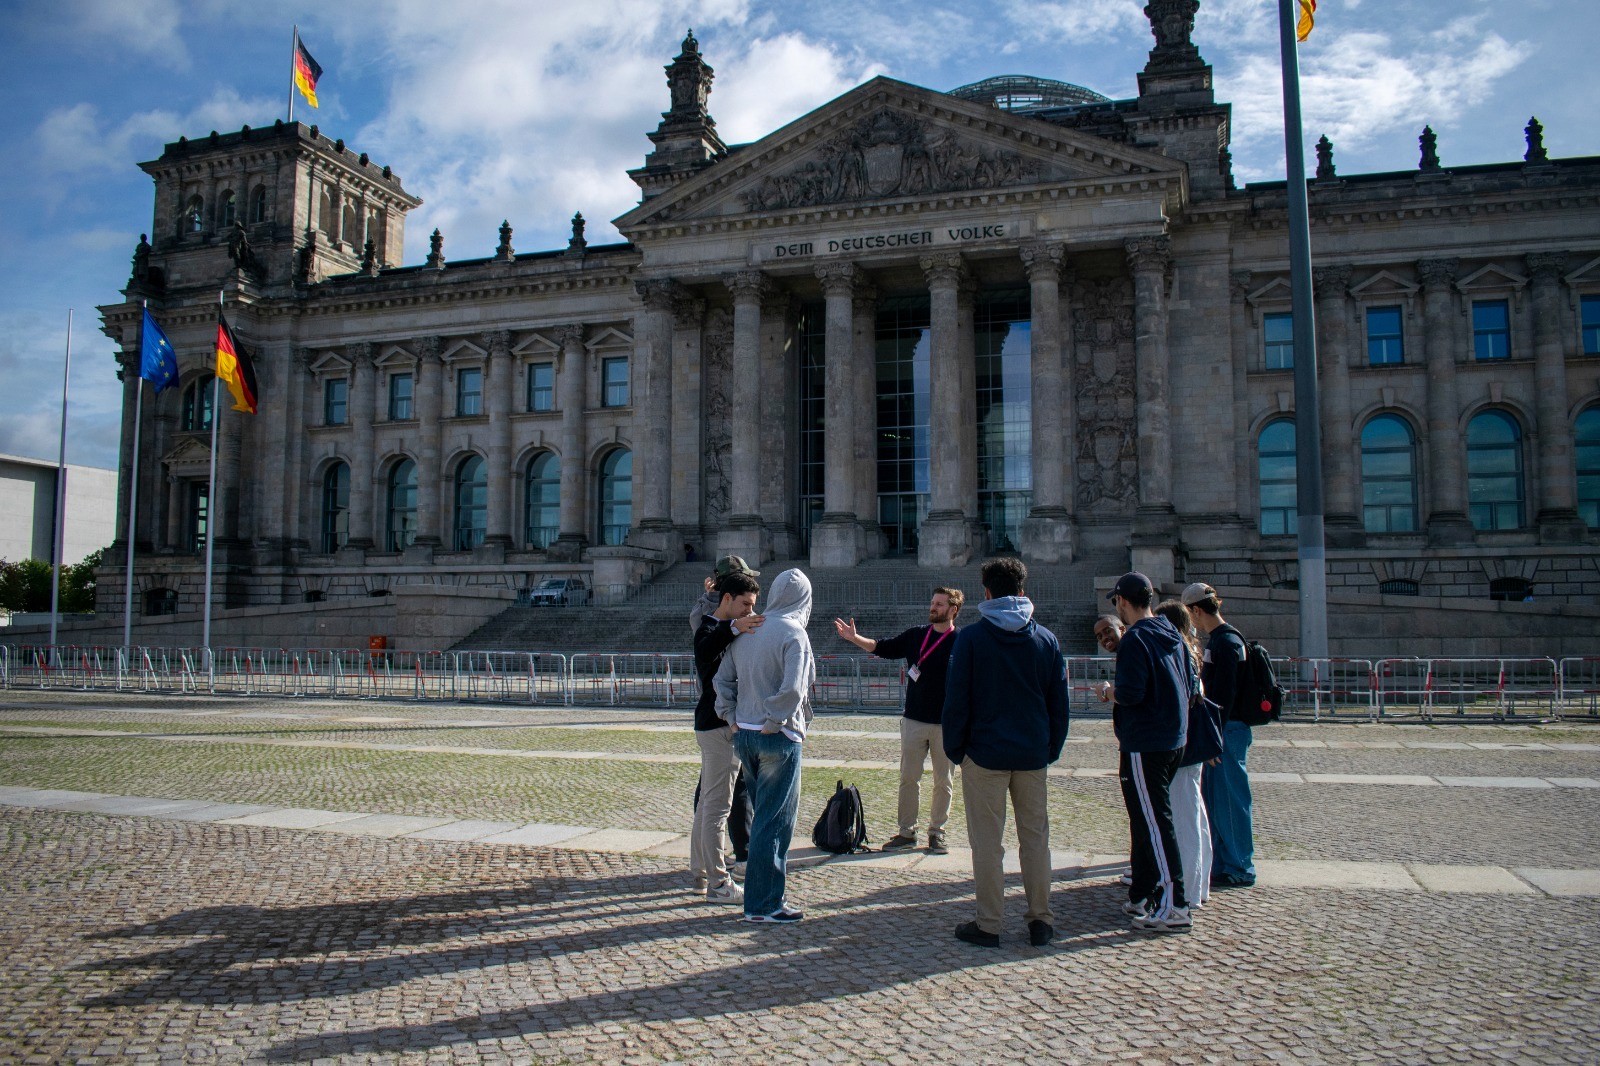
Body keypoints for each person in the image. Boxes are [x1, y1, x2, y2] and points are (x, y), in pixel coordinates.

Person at [944, 558, 1069, 948]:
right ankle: (1040, 920)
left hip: (984, 754)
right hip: (1032, 753)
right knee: (1035, 840)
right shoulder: (1046, 639)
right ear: (1022, 590)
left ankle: (989, 923)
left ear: (986, 591)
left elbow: (957, 700)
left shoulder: (971, 639)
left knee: (987, 843)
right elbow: (1059, 704)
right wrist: (1050, 748)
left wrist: (957, 750)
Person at [714, 568, 816, 924]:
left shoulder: (749, 627)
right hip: (777, 736)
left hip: (745, 733)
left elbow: (721, 680)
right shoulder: (794, 633)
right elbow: (794, 688)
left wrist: (731, 717)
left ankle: (759, 900)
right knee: (775, 822)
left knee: (762, 820)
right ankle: (764, 905)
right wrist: (775, 721)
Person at [833, 587, 965, 854]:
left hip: (946, 723)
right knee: (908, 779)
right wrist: (854, 637)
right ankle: (907, 832)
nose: (933, 607)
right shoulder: (917, 635)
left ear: (953, 610)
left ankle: (937, 833)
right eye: (932, 602)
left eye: (939, 604)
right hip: (914, 719)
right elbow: (883, 647)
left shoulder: (962, 640)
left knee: (944, 782)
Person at [1108, 572, 1193, 934]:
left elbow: (1131, 693)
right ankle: (1142, 894)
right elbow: (1189, 682)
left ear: (1122, 602)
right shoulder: (1170, 631)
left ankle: (1176, 905)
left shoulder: (1135, 638)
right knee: (1146, 820)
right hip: (1174, 737)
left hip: (1146, 742)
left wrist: (1109, 692)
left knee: (1157, 824)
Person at [689, 570, 764, 903]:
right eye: (745, 604)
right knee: (718, 807)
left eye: (753, 605)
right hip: (718, 725)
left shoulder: (730, 628)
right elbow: (705, 650)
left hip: (715, 724)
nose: (750, 611)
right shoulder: (710, 627)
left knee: (708, 803)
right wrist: (735, 628)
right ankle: (719, 884)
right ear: (728, 599)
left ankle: (699, 872)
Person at [1182, 582, 1256, 889]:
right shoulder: (1226, 639)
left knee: (1229, 799)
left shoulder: (1224, 642)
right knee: (1220, 798)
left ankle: (1239, 865)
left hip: (1227, 729)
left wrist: (1213, 739)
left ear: (1196, 610)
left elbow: (1223, 696)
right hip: (1228, 727)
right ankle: (1227, 862)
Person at [1155, 598, 1223, 912]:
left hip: (1182, 743)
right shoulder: (1190, 651)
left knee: (1183, 818)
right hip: (1191, 744)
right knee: (1194, 813)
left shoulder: (1178, 653)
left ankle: (1189, 890)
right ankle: (1199, 884)